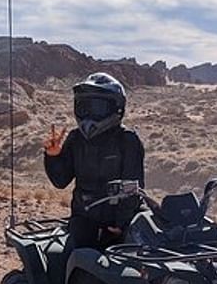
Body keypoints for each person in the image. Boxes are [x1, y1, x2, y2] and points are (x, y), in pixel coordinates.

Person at [43, 72, 145, 250]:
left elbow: (133, 186)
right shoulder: (76, 139)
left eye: (97, 107)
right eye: (84, 107)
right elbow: (60, 181)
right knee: (69, 263)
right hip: (84, 219)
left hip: (119, 222)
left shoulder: (127, 140)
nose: (89, 114)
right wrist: (54, 156)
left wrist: (121, 223)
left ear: (116, 108)